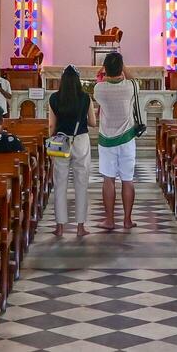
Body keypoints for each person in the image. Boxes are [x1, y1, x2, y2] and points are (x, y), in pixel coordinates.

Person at [92, 51, 139, 230]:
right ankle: (127, 220)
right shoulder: (130, 87)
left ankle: (110, 219)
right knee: (127, 180)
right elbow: (133, 79)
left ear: (106, 69)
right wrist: (122, 65)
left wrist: (105, 69)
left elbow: (100, 81)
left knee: (108, 180)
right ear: (121, 68)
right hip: (127, 138)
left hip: (106, 139)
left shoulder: (99, 89)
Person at [48, 65, 92, 237]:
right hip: (80, 139)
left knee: (60, 184)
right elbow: (93, 122)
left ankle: (60, 227)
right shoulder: (85, 98)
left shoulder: (54, 98)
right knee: (81, 184)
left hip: (60, 140)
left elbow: (51, 125)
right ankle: (80, 227)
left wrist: (49, 140)